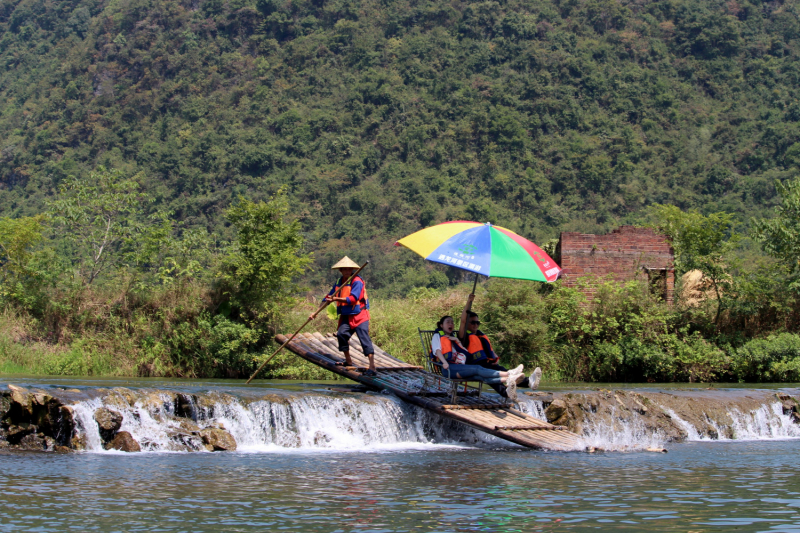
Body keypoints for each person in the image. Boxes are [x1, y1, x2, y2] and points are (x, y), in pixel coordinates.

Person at [458, 294, 542, 391]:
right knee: (495, 373)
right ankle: (525, 382)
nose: (476, 325)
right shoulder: (463, 336)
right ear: (467, 324)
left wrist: (494, 356)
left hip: (487, 363)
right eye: (473, 323)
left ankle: (527, 383)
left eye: (477, 323)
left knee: (499, 369)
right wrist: (469, 301)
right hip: (475, 366)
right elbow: (463, 321)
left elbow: (488, 350)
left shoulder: (479, 336)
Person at [431, 315, 525, 399]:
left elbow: (466, 353)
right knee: (478, 368)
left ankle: (507, 380)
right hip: (448, 369)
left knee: (480, 376)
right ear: (441, 325)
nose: (451, 324)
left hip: (459, 368)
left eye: (452, 322)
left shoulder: (453, 339)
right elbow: (437, 350)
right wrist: (444, 362)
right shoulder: (437, 336)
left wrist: (457, 341)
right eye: (448, 322)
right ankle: (509, 374)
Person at [323, 256, 377, 376]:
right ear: (340, 270)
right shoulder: (339, 282)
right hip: (346, 315)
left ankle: (372, 367)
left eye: (349, 269)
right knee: (341, 334)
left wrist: (336, 299)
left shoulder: (357, 281)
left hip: (360, 315)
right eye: (345, 269)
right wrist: (315, 311)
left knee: (364, 339)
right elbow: (328, 297)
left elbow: (353, 299)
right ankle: (348, 361)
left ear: (353, 269)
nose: (348, 271)